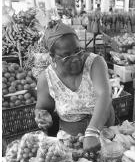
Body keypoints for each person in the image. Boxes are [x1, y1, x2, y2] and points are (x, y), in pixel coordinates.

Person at [35, 20, 115, 152]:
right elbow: (42, 107)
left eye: (78, 51)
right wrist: (42, 116)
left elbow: (104, 95)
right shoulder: (46, 78)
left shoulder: (95, 63)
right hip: (72, 138)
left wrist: (92, 131)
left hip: (103, 128)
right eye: (66, 56)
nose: (76, 58)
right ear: (53, 56)